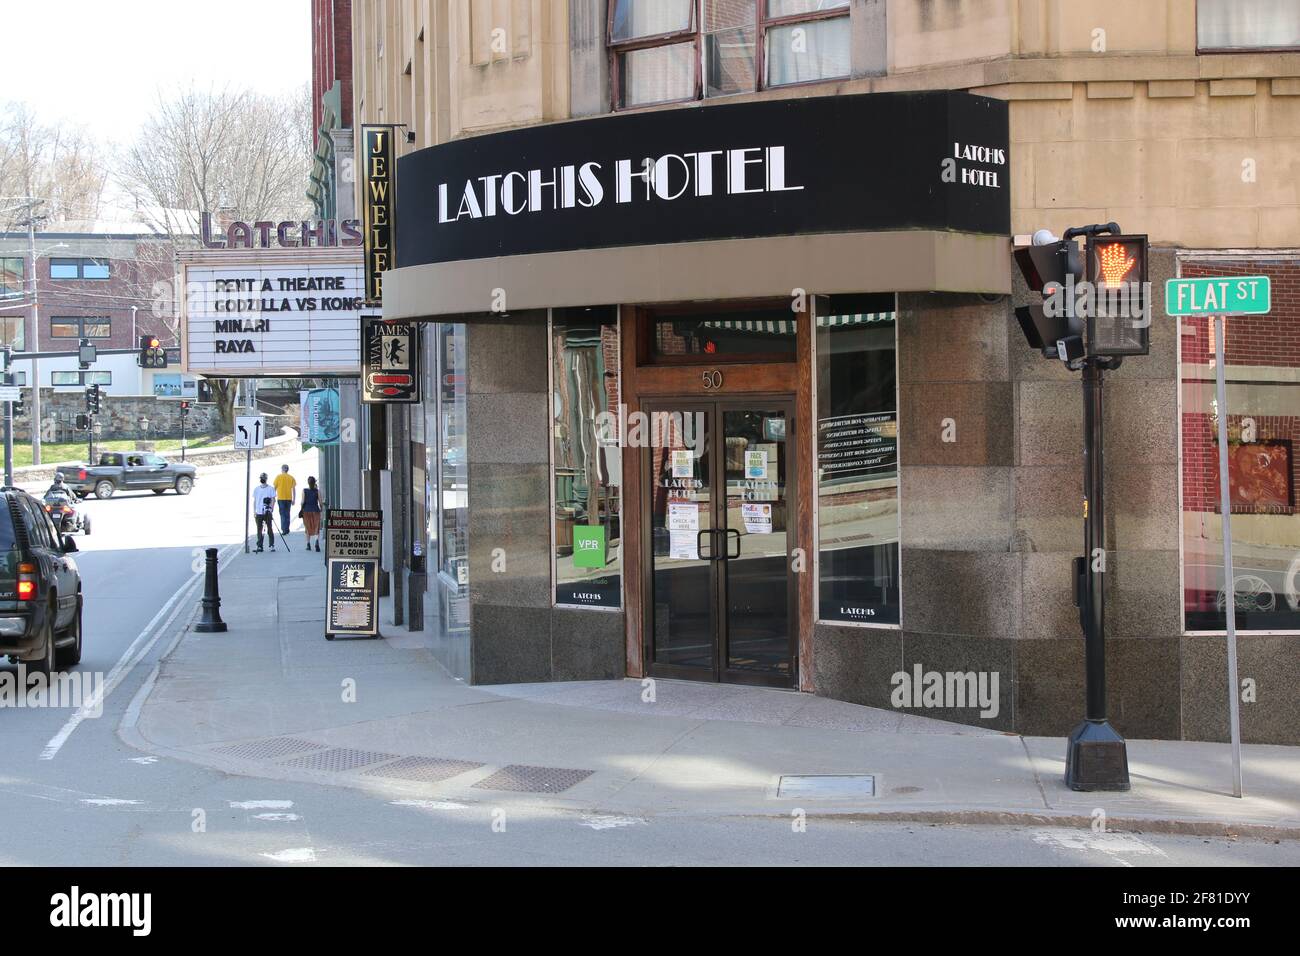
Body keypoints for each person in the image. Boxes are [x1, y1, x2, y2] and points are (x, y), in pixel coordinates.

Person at [252, 473, 277, 552]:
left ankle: (271, 545)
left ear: (266, 479)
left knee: (269, 528)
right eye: (261, 478)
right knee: (259, 529)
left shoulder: (270, 488)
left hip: (267, 511)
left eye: (263, 478)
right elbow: (255, 501)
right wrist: (254, 511)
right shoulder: (256, 489)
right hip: (259, 512)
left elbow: (273, 499)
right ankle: (260, 546)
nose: (262, 479)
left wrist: (271, 509)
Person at [300, 476, 325, 552]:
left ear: (308, 483)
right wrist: (321, 508)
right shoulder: (318, 491)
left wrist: (301, 509)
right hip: (315, 510)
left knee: (307, 527)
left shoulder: (304, 491)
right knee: (316, 527)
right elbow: (320, 502)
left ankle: (308, 544)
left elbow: (302, 502)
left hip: (306, 511)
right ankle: (316, 542)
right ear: (315, 483)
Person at [272, 464, 296, 536]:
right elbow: (294, 489)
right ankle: (287, 528)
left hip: (281, 498)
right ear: (287, 469)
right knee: (287, 513)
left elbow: (274, 488)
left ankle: (284, 529)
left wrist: (273, 498)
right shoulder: (291, 478)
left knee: (282, 514)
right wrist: (294, 499)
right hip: (289, 498)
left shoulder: (278, 477)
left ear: (282, 469)